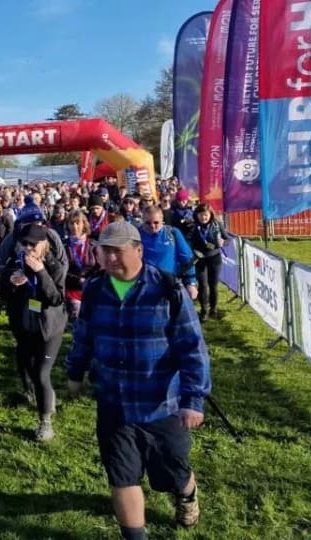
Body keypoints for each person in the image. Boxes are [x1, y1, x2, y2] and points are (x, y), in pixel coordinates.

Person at [66, 221, 210, 540]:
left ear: (139, 250)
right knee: (121, 475)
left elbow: (192, 348)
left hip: (161, 404)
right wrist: (74, 372)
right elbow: (84, 335)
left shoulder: (167, 289)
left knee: (172, 471)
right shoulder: (94, 289)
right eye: (105, 251)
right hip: (113, 402)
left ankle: (186, 494)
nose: (111, 258)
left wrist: (193, 400)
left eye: (118, 251)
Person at [0, 224, 67, 441]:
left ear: (44, 244)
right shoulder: (15, 262)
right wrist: (11, 283)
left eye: (33, 244)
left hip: (49, 327)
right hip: (24, 324)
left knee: (41, 373)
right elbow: (2, 292)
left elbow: (55, 298)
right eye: (24, 243)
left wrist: (40, 271)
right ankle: (44, 395)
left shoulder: (54, 266)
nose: (28, 248)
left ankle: (45, 422)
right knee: (27, 366)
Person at [137, 206, 198, 301]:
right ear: (143, 220)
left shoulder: (173, 233)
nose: (152, 226)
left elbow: (187, 259)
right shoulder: (136, 235)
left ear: (162, 219)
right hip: (143, 286)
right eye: (148, 223)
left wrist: (191, 283)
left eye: (156, 222)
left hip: (169, 284)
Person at [187, 204, 230, 321]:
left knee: (213, 285)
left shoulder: (217, 225)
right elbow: (188, 241)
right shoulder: (194, 227)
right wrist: (192, 249)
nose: (203, 217)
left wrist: (223, 242)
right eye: (201, 215)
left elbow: (228, 239)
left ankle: (213, 309)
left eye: (205, 215)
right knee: (202, 285)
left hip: (214, 258)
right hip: (200, 259)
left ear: (210, 215)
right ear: (197, 215)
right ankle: (204, 310)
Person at [63, 211, 99, 319]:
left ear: (84, 224)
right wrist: (78, 280)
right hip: (72, 290)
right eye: (72, 223)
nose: (75, 226)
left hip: (91, 288)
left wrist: (88, 280)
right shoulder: (63, 246)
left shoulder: (94, 245)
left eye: (78, 223)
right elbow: (60, 270)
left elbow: (99, 268)